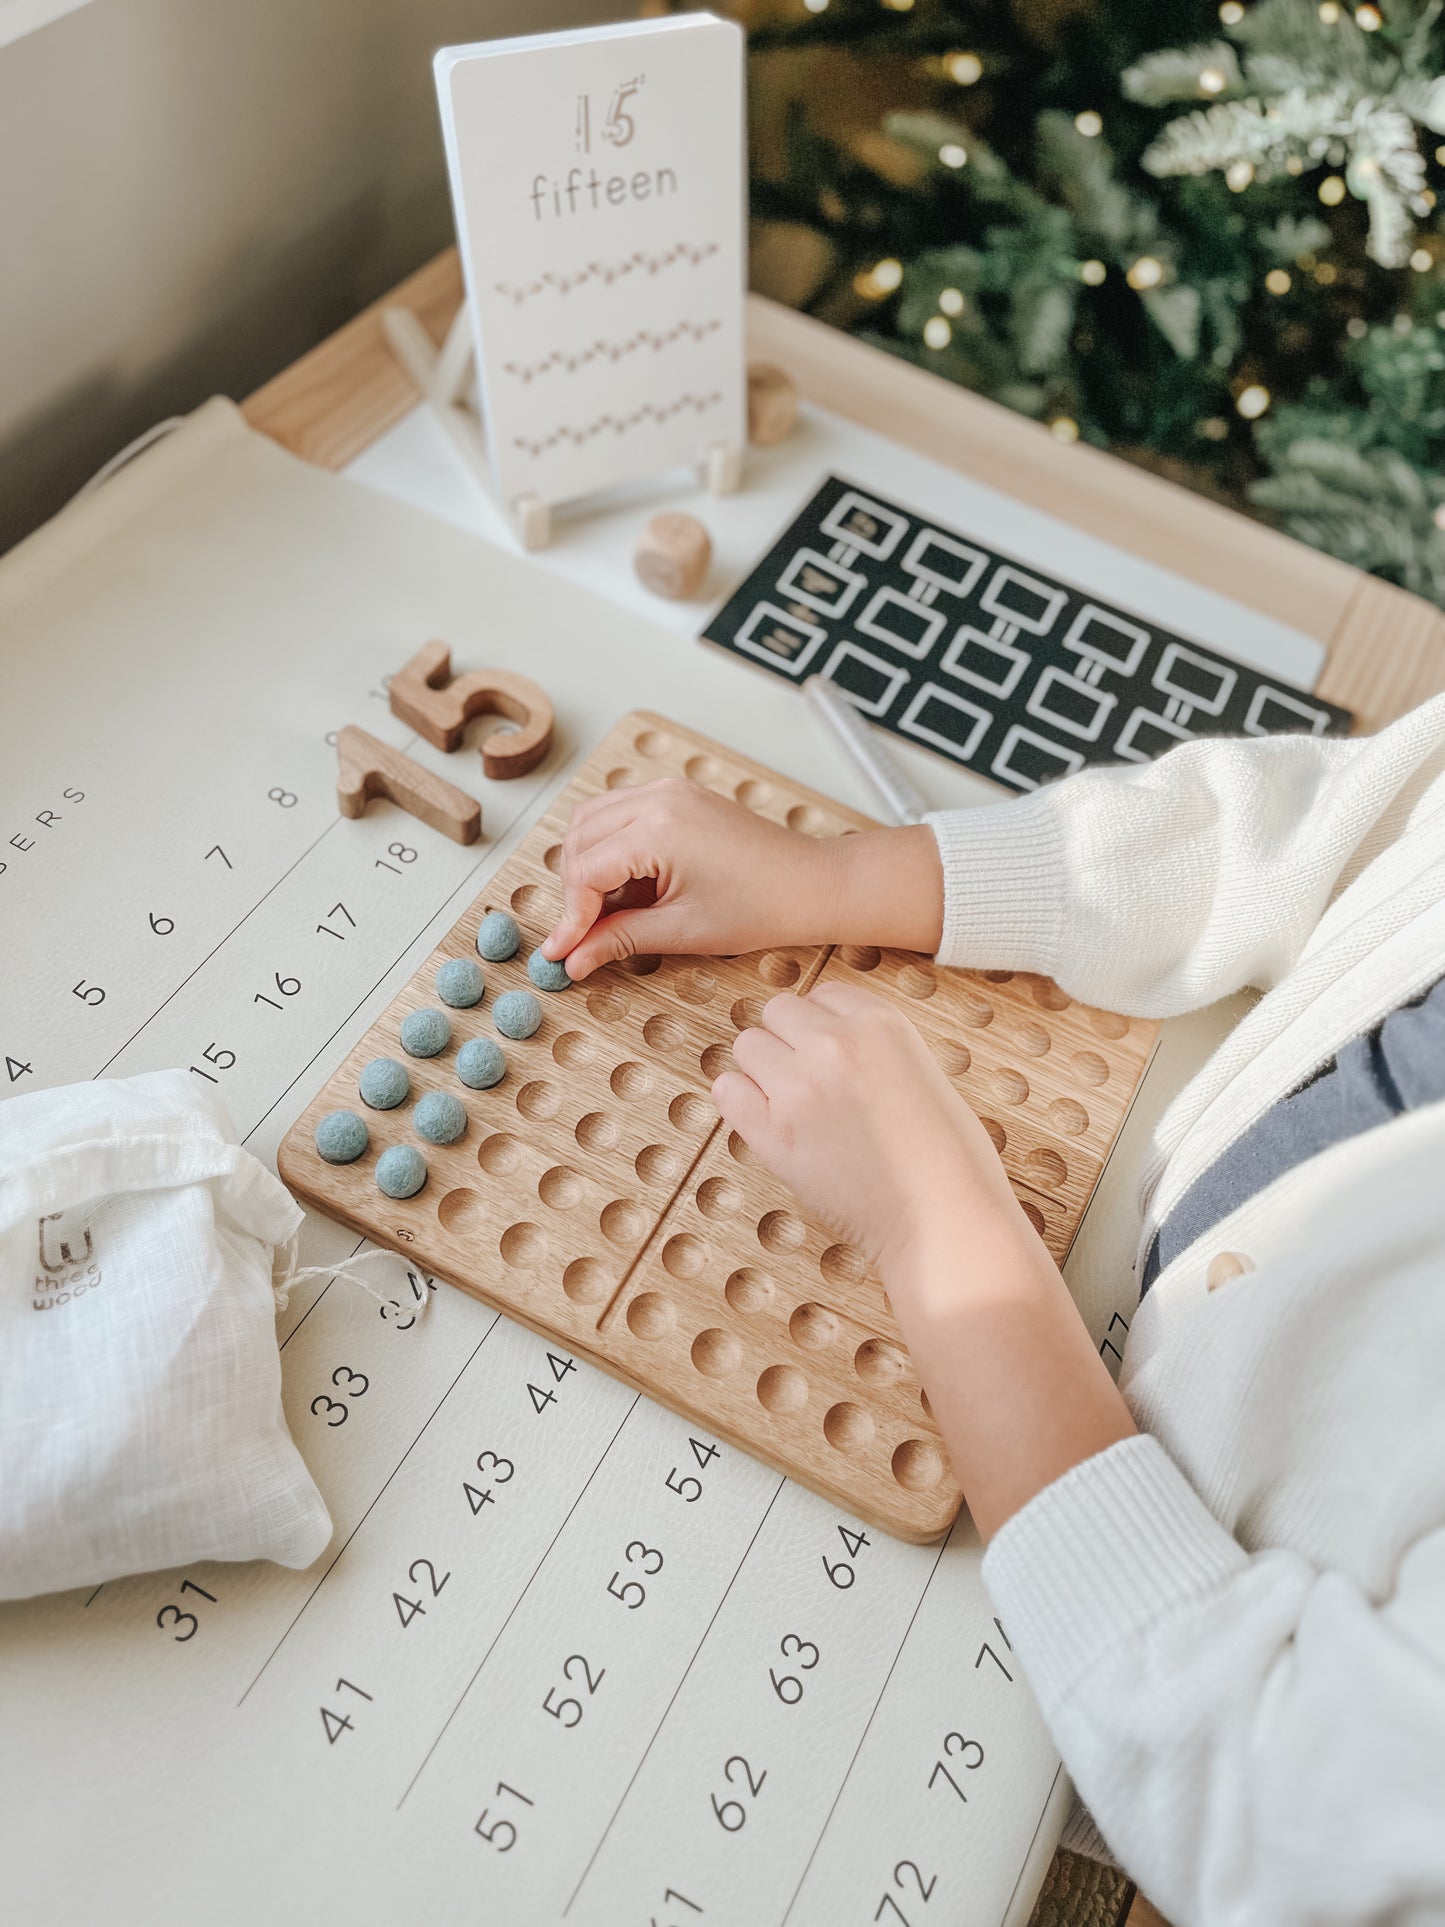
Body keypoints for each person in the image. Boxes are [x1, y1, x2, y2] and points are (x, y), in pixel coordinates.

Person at [542, 695, 1445, 1927]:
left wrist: (934, 1222)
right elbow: (1317, 834)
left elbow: (1280, 1803)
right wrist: (842, 876)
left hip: (1126, 1679)